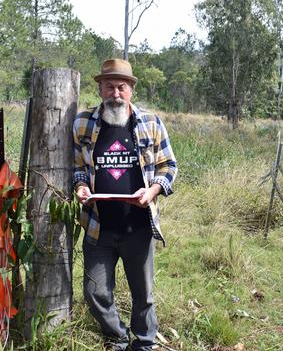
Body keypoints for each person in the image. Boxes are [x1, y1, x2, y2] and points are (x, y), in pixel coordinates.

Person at [72, 58, 177, 351]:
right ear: (100, 88)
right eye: (109, 87)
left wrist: (153, 190)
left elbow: (169, 166)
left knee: (143, 294)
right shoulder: (83, 123)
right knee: (95, 292)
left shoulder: (151, 123)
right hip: (98, 228)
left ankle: (144, 344)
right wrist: (80, 186)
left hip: (138, 226)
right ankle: (117, 339)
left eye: (121, 87)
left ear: (130, 89)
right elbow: (78, 166)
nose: (115, 93)